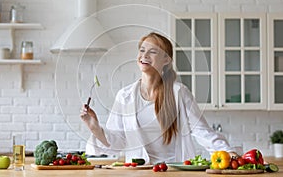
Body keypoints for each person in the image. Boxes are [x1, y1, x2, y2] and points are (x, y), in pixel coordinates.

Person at [80, 32, 237, 164]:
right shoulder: (125, 96)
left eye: (152, 52)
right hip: (139, 173)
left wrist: (230, 153)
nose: (144, 56)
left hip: (174, 172)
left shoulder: (179, 93)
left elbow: (202, 132)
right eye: (142, 50)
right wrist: (95, 127)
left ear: (166, 59)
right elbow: (117, 142)